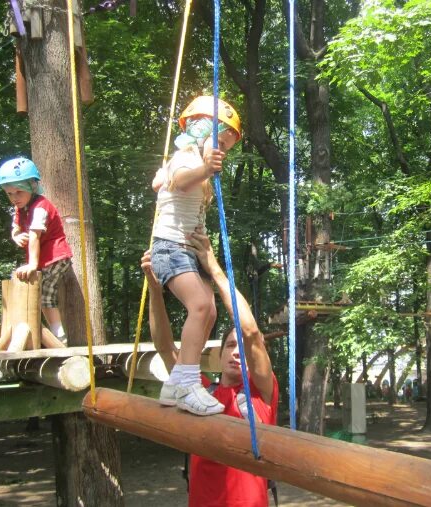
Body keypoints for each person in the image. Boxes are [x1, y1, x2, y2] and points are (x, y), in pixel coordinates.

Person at [141, 229, 278, 507]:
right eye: (230, 345)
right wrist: (156, 290)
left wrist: (212, 266)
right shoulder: (200, 391)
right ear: (216, 355)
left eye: (243, 349)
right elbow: (165, 347)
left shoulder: (262, 394)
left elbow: (250, 332)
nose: (237, 353)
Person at [150, 96, 242, 416]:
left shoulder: (192, 162)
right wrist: (205, 167)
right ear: (200, 131)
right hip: (169, 247)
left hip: (185, 250)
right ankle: (189, 384)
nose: (222, 151)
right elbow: (177, 180)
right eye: (219, 141)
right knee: (200, 306)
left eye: (226, 148)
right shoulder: (186, 159)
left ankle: (175, 383)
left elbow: (160, 182)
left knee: (211, 312)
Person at [0, 157, 73, 345]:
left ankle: (59, 337)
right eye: (9, 194)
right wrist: (15, 236)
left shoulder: (40, 208)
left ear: (32, 186)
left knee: (44, 295)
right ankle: (38, 335)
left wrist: (32, 264)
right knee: (36, 294)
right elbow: (15, 227)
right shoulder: (20, 208)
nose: (14, 197)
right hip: (43, 259)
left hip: (56, 256)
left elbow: (34, 237)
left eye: (19, 192)